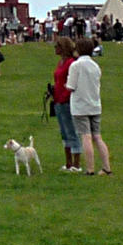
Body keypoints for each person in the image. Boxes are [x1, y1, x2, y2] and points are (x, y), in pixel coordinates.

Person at [66, 38, 111, 176]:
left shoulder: (75, 66)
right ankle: (106, 168)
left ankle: (90, 169)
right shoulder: (95, 66)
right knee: (97, 137)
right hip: (95, 105)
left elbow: (71, 86)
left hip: (80, 106)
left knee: (86, 136)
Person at [50, 37, 82, 172]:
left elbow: (72, 82)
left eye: (57, 46)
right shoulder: (60, 62)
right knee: (64, 132)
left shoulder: (71, 63)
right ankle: (68, 162)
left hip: (67, 100)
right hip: (58, 100)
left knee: (72, 131)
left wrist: (64, 96)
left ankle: (76, 163)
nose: (55, 49)